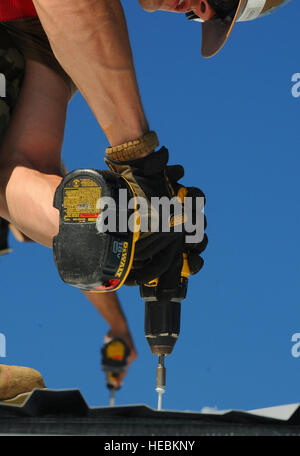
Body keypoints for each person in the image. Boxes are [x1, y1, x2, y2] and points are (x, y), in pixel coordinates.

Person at [0, 0, 208, 402]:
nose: (202, 11)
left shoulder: (42, 32)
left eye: (208, 16)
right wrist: (139, 161)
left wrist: (115, 244)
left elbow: (18, 171)